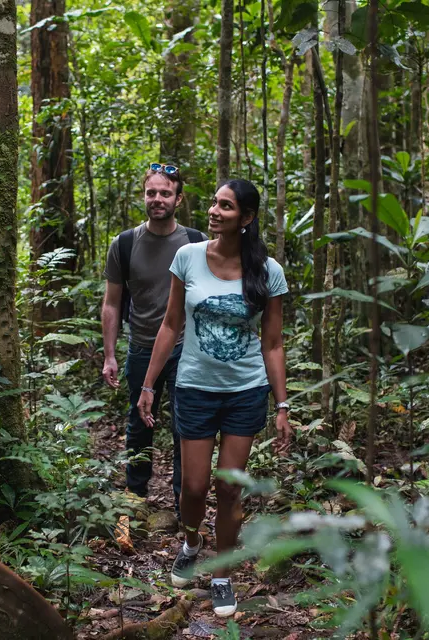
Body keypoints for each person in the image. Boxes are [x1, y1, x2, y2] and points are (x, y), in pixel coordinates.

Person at [137, 178, 292, 617]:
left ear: (246, 218)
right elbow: (170, 325)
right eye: (213, 203)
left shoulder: (269, 271)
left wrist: (282, 405)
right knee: (193, 485)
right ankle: (191, 541)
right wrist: (149, 384)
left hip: (245, 392)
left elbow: (273, 343)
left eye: (225, 206)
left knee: (228, 489)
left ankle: (222, 575)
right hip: (194, 388)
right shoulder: (187, 257)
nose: (214, 211)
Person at [101, 163, 206, 519]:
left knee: (185, 425)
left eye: (165, 193)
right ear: (143, 196)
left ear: (179, 198)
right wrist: (110, 355)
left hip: (185, 350)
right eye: (151, 193)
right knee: (138, 422)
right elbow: (112, 303)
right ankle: (136, 496)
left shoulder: (196, 243)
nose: (157, 199)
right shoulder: (125, 243)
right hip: (142, 346)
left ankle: (183, 505)